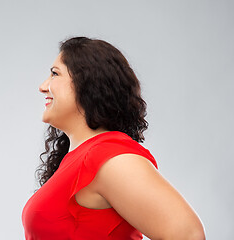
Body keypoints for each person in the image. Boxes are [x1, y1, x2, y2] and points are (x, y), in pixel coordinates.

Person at [22, 37, 205, 240]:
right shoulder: (80, 159)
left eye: (55, 74)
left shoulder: (107, 155)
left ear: (88, 83)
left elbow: (188, 235)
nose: (43, 86)